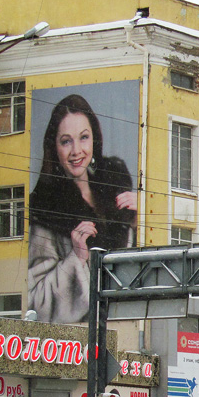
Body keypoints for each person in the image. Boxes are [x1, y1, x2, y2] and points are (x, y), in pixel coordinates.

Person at [28, 94, 136, 324]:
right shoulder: (45, 210)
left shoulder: (114, 192)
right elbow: (36, 301)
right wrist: (76, 259)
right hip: (79, 337)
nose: (76, 150)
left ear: (94, 139)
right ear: (54, 147)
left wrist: (141, 218)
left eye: (84, 137)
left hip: (123, 326)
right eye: (66, 141)